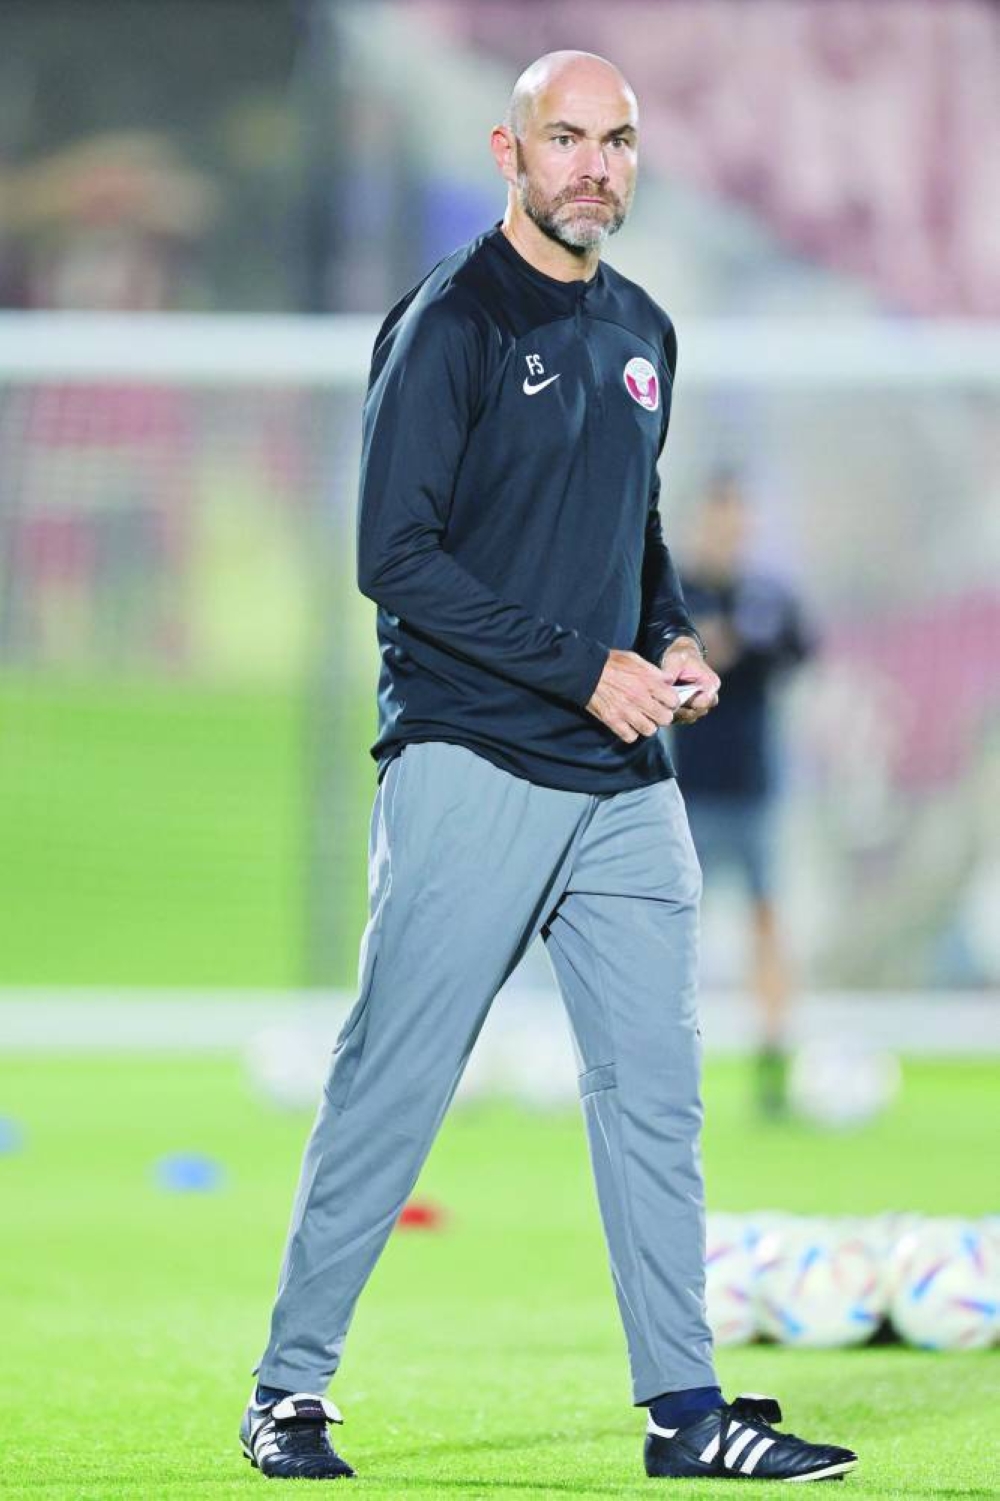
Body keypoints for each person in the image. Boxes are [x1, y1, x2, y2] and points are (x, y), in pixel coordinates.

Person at [239, 51, 857, 1484]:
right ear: (510, 153)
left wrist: (668, 638)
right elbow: (389, 556)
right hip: (473, 759)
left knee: (658, 1090)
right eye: (566, 138)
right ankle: (289, 1390)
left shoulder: (643, 327)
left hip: (627, 787)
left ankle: (686, 1412)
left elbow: (629, 532)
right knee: (396, 1079)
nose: (596, 164)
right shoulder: (451, 322)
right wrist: (583, 667)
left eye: (618, 141)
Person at [674, 473, 817, 1114]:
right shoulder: (674, 595)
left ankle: (773, 1060)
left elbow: (800, 651)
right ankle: (668, 1055)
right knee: (675, 925)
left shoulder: (767, 597)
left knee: (765, 923)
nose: (730, 531)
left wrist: (739, 648)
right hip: (686, 791)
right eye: (720, 518)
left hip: (753, 789)